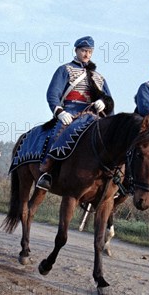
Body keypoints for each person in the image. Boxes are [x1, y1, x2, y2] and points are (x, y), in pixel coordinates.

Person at [36, 36, 114, 190]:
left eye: (89, 52)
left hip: (93, 114)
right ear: (76, 50)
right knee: (61, 132)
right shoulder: (65, 70)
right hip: (70, 111)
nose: (86, 54)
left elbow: (109, 99)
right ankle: (48, 171)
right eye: (84, 50)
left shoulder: (99, 77)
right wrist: (59, 112)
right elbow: (53, 93)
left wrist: (104, 103)